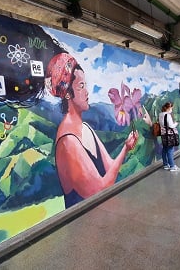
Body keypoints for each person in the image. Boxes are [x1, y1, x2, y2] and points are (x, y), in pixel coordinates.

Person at [45, 52, 139, 208]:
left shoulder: (85, 128)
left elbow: (109, 168)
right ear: (68, 94)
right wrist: (125, 149)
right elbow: (99, 189)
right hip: (82, 223)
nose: (87, 92)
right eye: (81, 86)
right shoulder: (68, 142)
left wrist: (126, 148)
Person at [159, 102, 180, 171]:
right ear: (169, 108)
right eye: (171, 108)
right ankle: (172, 166)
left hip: (163, 134)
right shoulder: (167, 115)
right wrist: (176, 123)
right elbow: (171, 126)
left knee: (164, 149)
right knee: (170, 150)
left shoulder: (160, 114)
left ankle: (165, 165)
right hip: (169, 135)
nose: (172, 109)